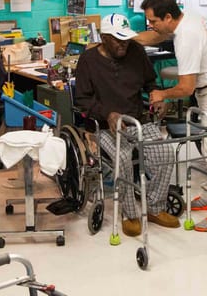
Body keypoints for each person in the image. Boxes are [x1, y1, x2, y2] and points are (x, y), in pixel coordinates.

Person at [136, 0, 207, 232]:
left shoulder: (186, 38)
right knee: (206, 146)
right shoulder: (189, 16)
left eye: (153, 20)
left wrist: (162, 94)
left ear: (168, 16)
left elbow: (186, 87)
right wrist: (130, 39)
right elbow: (157, 34)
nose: (151, 26)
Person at [74, 13, 179, 237]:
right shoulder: (88, 61)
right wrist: (107, 114)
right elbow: (81, 100)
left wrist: (158, 97)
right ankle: (129, 214)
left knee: (166, 154)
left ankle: (155, 206)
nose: (124, 44)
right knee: (123, 159)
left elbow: (150, 82)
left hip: (138, 120)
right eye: (117, 39)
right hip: (105, 127)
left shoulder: (136, 52)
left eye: (126, 39)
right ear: (104, 37)